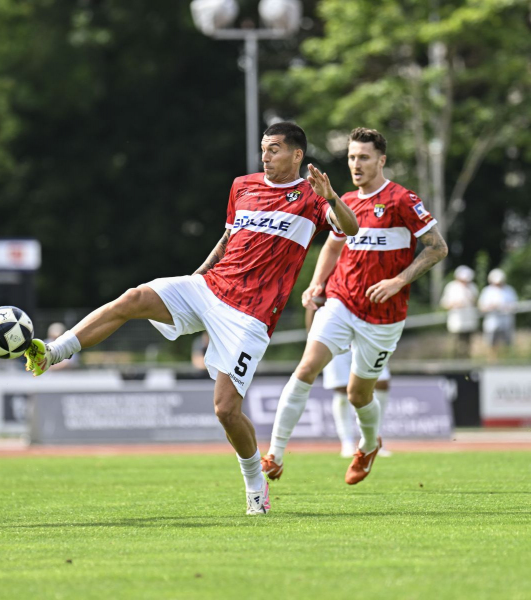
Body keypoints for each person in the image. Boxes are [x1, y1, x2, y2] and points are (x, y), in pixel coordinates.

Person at [25, 122, 359, 515]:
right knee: (133, 298)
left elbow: (350, 228)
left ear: (296, 154)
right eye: (263, 149)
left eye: (274, 149)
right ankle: (53, 352)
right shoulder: (243, 186)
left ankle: (255, 483)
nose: (265, 156)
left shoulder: (312, 196)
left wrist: (331, 197)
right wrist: (195, 279)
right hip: (210, 287)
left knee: (226, 410)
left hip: (250, 316)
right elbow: (227, 239)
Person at [261, 127, 448, 485]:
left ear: (381, 160)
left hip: (383, 317)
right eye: (351, 157)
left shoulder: (402, 200)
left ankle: (368, 444)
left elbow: (438, 248)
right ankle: (275, 454)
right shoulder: (345, 201)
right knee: (306, 368)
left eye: (363, 157)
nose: (356, 164)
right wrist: (317, 282)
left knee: (358, 395)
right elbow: (333, 246)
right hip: (341, 301)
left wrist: (398, 281)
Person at [305, 300, 392, 458]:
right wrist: (314, 339)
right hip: (338, 338)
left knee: (381, 383)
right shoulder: (329, 283)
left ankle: (374, 439)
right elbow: (313, 304)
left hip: (367, 336)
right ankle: (347, 442)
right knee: (341, 389)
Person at [478, 268, 518, 361]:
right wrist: (491, 307)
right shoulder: (487, 291)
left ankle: (507, 359)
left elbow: (515, 305)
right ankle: (492, 360)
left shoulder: (509, 290)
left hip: (506, 321)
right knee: (491, 343)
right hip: (492, 322)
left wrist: (506, 307)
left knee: (507, 342)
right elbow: (481, 306)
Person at [439, 265, 479, 358]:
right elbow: (444, 304)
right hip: (456, 323)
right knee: (456, 345)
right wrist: (455, 304)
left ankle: (466, 364)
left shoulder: (472, 287)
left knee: (467, 346)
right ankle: (455, 364)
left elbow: (477, 302)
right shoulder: (451, 287)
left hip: (469, 321)